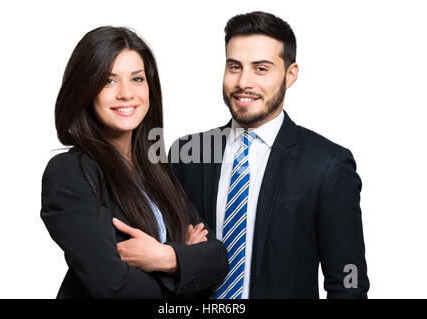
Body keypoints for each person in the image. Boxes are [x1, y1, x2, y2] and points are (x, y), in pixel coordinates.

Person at [169, 11, 370, 298]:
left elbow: (349, 280)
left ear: (290, 75)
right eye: (234, 67)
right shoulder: (188, 154)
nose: (243, 82)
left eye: (261, 69)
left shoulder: (327, 164)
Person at [41, 26, 228, 299]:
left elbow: (217, 259)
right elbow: (112, 286)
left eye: (137, 79)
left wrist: (164, 256)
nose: (127, 94)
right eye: (109, 81)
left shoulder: (156, 169)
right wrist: (184, 262)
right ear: (86, 89)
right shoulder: (71, 173)